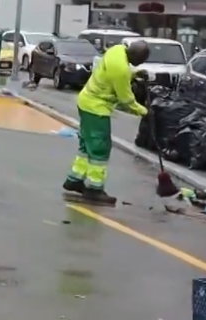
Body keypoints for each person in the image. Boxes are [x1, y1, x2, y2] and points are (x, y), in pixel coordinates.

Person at [63, 40, 150, 205]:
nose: (140, 63)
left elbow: (113, 72)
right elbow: (126, 99)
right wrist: (144, 112)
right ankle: (95, 189)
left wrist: (135, 74)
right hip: (96, 109)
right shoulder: (121, 70)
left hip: (86, 101)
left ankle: (75, 179)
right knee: (99, 149)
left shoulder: (117, 50)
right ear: (136, 56)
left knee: (86, 144)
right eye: (141, 61)